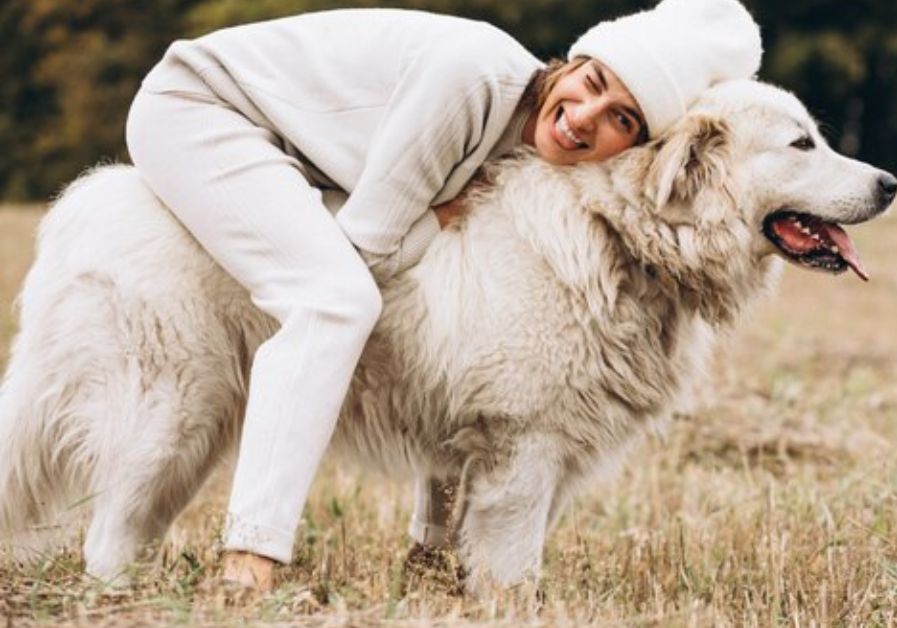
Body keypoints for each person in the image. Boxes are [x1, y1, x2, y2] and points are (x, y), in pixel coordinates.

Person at [124, 0, 761, 592]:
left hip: (285, 146)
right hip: (200, 109)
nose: (584, 119)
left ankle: (432, 556)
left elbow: (462, 333)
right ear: (570, 63)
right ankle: (251, 556)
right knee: (335, 301)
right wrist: (436, 220)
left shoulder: (534, 141)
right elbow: (366, 252)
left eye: (622, 119)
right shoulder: (475, 80)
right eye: (591, 84)